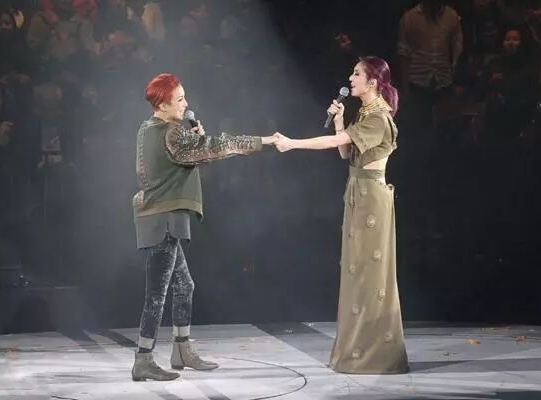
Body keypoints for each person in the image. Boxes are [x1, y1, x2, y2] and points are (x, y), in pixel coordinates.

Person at [132, 72, 276, 381]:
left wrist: (196, 142)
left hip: (163, 215)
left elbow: (190, 157)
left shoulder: (148, 128)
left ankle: (181, 350)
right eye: (180, 99)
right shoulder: (171, 132)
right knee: (157, 293)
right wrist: (262, 141)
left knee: (184, 285)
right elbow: (215, 146)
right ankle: (143, 358)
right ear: (162, 104)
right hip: (162, 218)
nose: (186, 104)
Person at [274, 57, 409, 374]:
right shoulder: (365, 113)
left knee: (370, 274)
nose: (351, 78)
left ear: (373, 82)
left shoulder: (378, 118)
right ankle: (355, 350)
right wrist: (339, 120)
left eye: (357, 73)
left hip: (372, 197)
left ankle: (376, 355)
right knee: (355, 271)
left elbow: (337, 143)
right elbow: (346, 152)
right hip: (358, 192)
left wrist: (293, 143)